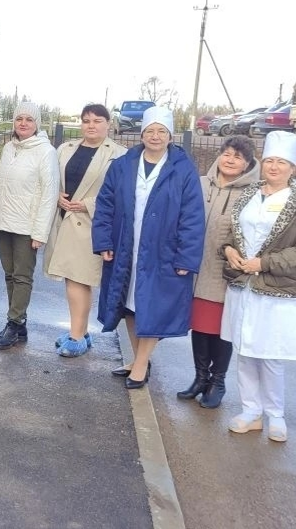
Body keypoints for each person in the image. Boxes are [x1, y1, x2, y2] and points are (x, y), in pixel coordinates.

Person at [221, 131, 296, 442]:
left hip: (277, 289)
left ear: (293, 168)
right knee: (245, 351)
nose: (274, 167)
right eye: (269, 161)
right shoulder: (249, 194)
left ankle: (276, 415)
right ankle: (251, 411)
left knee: (270, 353)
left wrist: (263, 263)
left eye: (281, 162)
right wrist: (229, 250)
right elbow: (233, 235)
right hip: (242, 286)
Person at [92, 106, 204, 389]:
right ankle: (138, 358)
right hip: (126, 248)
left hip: (162, 252)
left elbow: (192, 218)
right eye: (150, 131)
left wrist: (186, 258)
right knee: (129, 306)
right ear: (142, 134)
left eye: (161, 131)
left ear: (170, 135)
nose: (155, 136)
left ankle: (141, 364)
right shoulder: (123, 165)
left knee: (151, 307)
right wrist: (104, 241)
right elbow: (105, 205)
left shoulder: (183, 170)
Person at [176, 135, 258, 407]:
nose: (231, 159)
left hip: (226, 272)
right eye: (227, 153)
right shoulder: (199, 184)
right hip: (195, 268)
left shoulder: (253, 193)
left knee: (222, 329)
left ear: (247, 164)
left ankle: (217, 381)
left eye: (238, 156)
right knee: (199, 326)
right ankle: (200, 377)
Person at [43, 103, 126, 357]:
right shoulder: (65, 149)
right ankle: (79, 331)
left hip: (92, 224)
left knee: (80, 280)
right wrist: (57, 195)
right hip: (65, 221)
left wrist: (88, 204)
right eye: (86, 120)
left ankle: (77, 336)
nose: (91, 125)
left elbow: (119, 192)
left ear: (108, 124)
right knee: (73, 279)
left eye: (97, 121)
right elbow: (52, 179)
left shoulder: (119, 154)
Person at [0, 101, 57, 350]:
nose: (23, 123)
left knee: (22, 276)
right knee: (9, 273)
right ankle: (19, 322)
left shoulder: (45, 152)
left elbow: (49, 194)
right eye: (19, 119)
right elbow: (0, 186)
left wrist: (40, 232)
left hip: (27, 225)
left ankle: (14, 322)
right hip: (5, 222)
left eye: (29, 119)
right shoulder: (9, 148)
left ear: (37, 123)